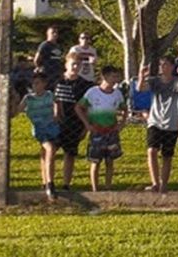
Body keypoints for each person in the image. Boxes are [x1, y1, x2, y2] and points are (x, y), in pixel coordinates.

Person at [140, 57, 178, 193]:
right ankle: (155, 183)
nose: (163, 67)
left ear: (172, 66)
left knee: (167, 156)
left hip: (171, 123)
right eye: (161, 65)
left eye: (166, 64)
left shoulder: (176, 82)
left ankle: (164, 185)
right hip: (155, 121)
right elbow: (141, 88)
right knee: (151, 151)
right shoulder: (154, 81)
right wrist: (142, 76)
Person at [75, 66, 126, 192]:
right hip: (97, 131)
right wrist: (87, 124)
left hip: (111, 131)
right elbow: (79, 107)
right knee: (95, 161)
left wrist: (121, 123)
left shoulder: (117, 94)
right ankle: (95, 188)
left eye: (117, 77)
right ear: (105, 77)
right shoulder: (93, 92)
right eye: (113, 77)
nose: (116, 80)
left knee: (110, 161)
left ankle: (108, 187)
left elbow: (124, 109)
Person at [53, 52, 95, 191]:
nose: (76, 67)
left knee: (70, 154)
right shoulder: (58, 81)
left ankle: (66, 183)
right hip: (58, 122)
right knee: (51, 150)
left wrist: (85, 127)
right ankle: (48, 181)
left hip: (75, 123)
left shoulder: (85, 85)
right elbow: (54, 100)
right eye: (73, 64)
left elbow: (87, 108)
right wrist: (55, 115)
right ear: (66, 64)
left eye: (78, 64)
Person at [19, 72, 59, 201]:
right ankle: (50, 183)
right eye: (33, 84)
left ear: (44, 84)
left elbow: (56, 103)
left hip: (52, 128)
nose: (35, 86)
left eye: (38, 83)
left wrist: (56, 114)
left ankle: (44, 180)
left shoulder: (49, 95)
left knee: (45, 154)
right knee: (50, 149)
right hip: (40, 129)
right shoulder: (28, 98)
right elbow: (17, 110)